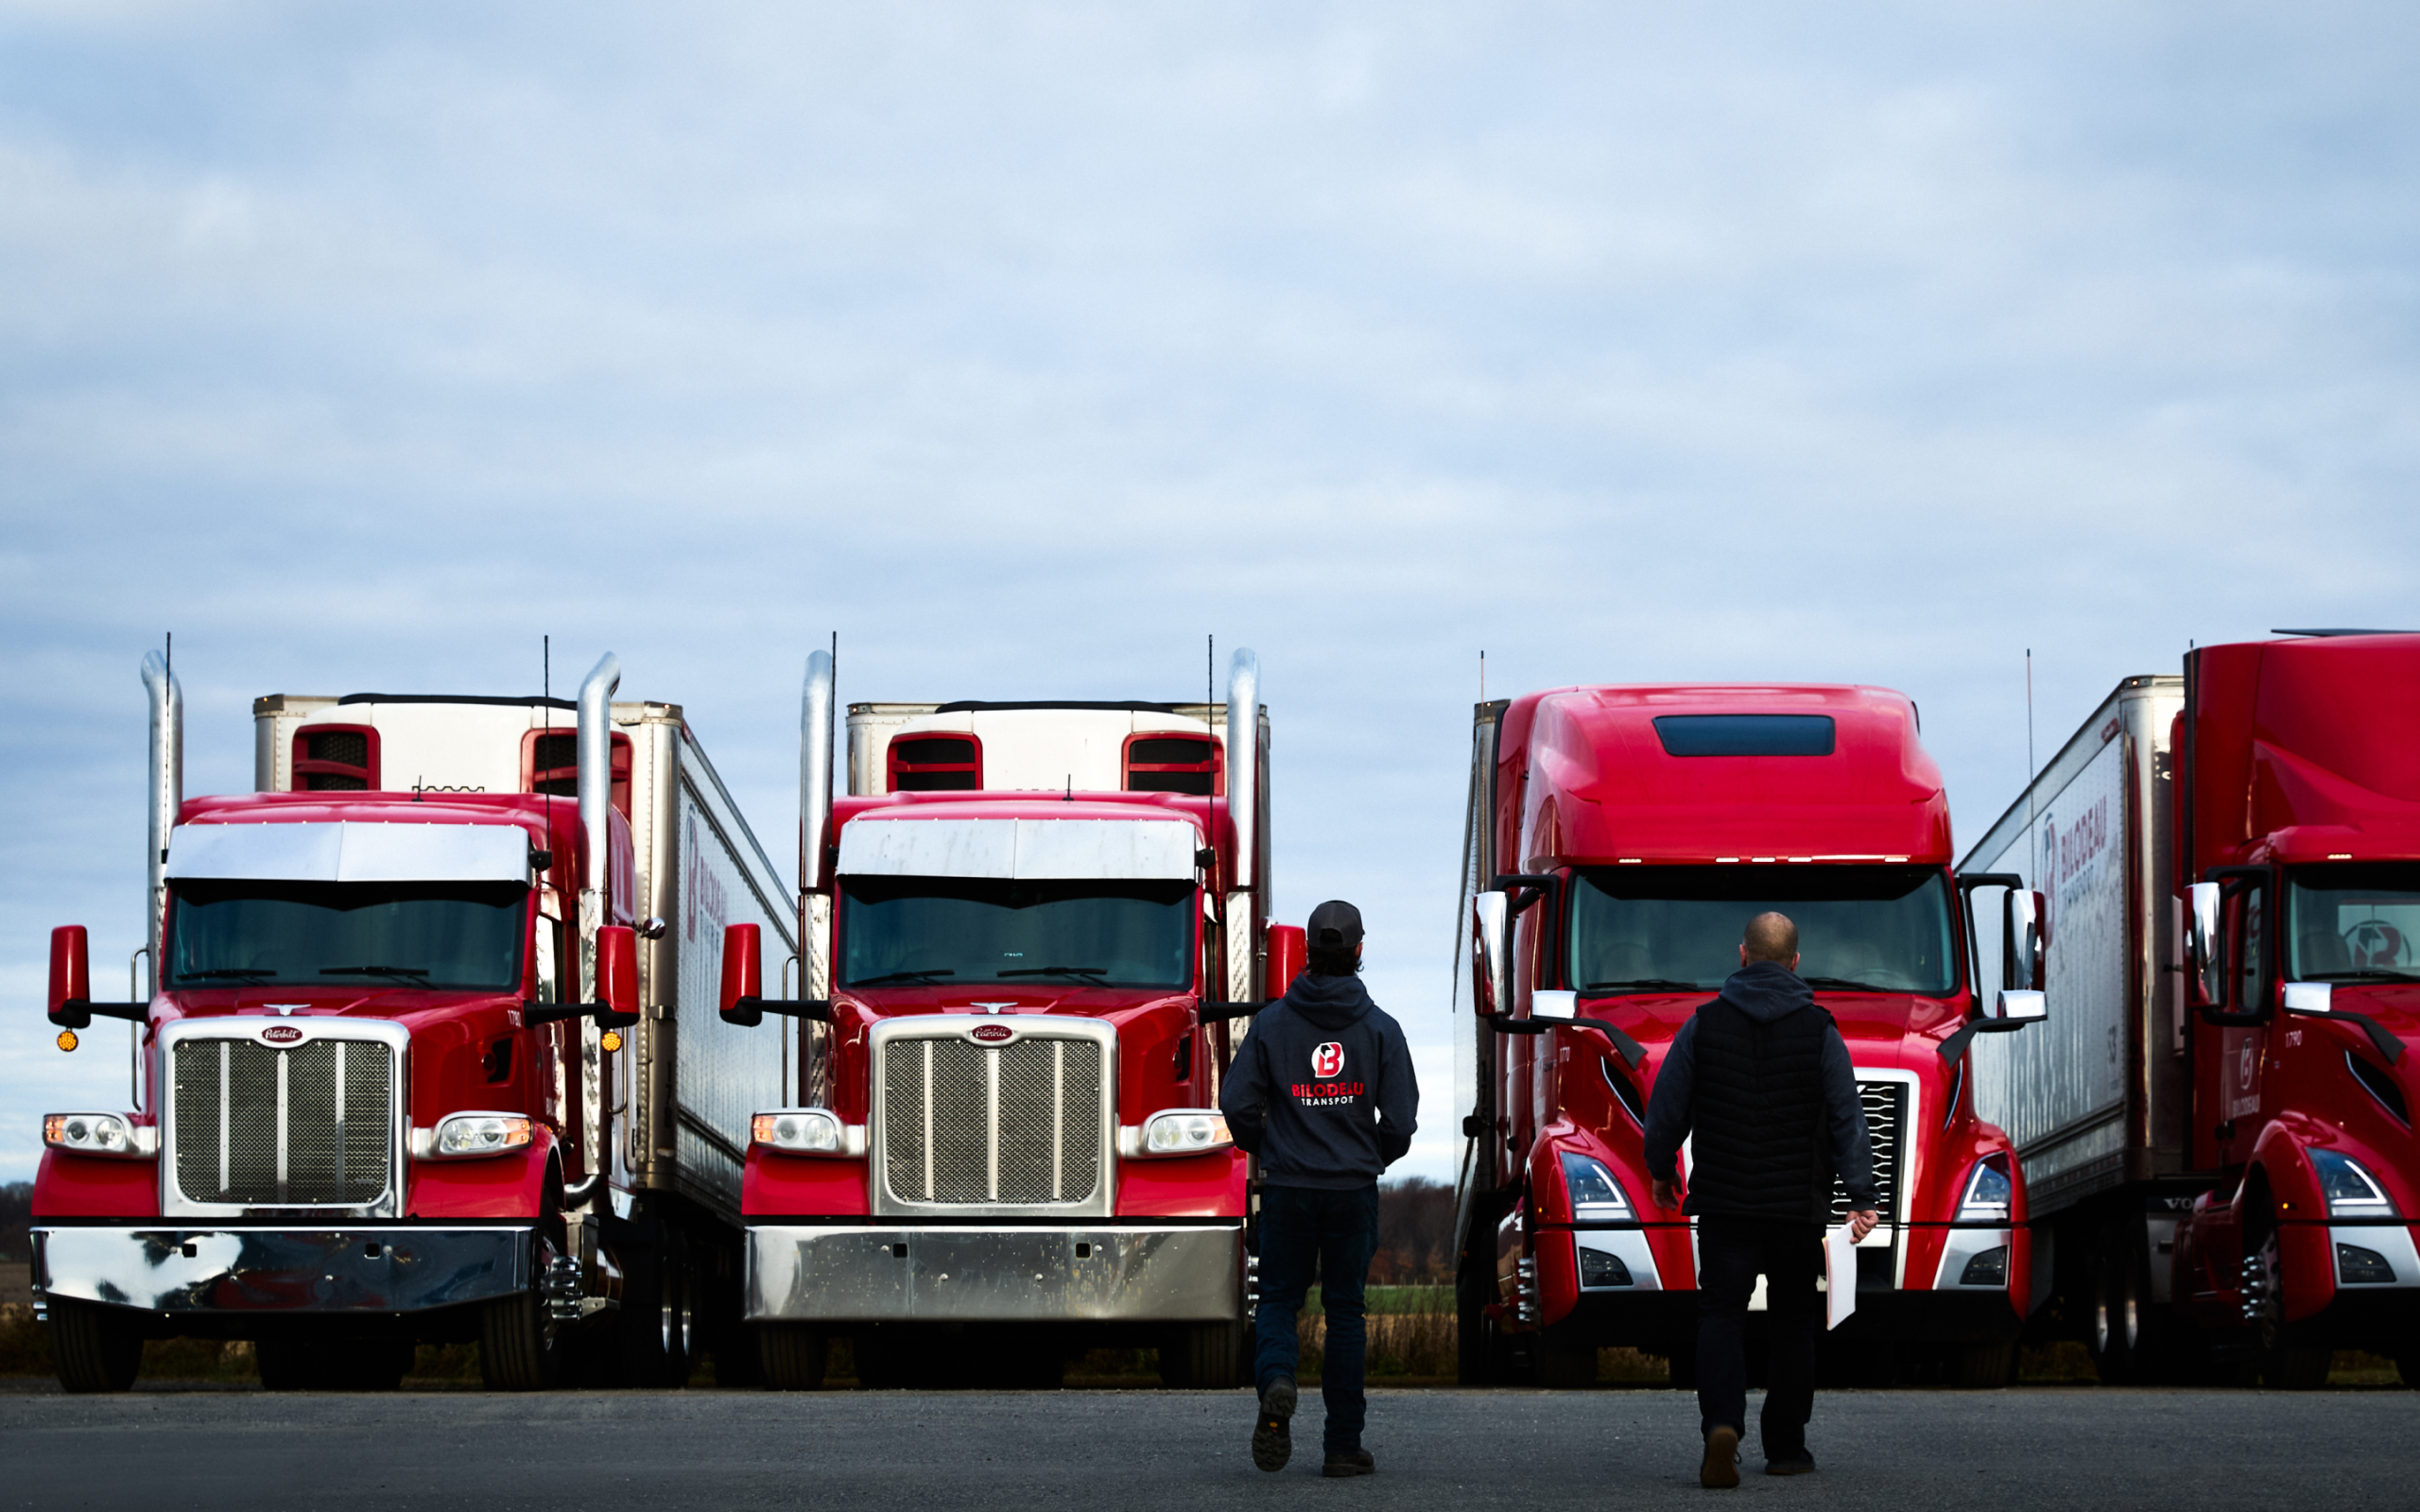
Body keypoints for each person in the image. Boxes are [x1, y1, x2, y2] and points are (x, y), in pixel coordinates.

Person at [1642, 911, 1880, 1488]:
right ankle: (1788, 1448)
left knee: (1720, 1316)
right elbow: (1848, 1117)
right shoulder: (1822, 1031)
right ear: (1796, 962)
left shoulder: (1703, 1025)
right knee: (1794, 1323)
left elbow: (1665, 1113)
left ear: (1741, 955)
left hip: (1724, 1206)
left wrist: (1660, 1173)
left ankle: (1722, 1425)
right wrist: (1862, 1195)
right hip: (1795, 1210)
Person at [1219, 899, 1419, 1478]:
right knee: (1346, 1312)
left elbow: (1235, 1102)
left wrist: (1272, 1145)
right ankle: (1341, 1446)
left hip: (1288, 1187)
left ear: (1307, 951)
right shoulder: (1382, 1028)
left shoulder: (1272, 1024)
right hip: (1351, 1191)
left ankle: (1278, 1380)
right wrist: (1367, 1157)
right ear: (1359, 952)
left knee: (1279, 1299)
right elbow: (1401, 1124)